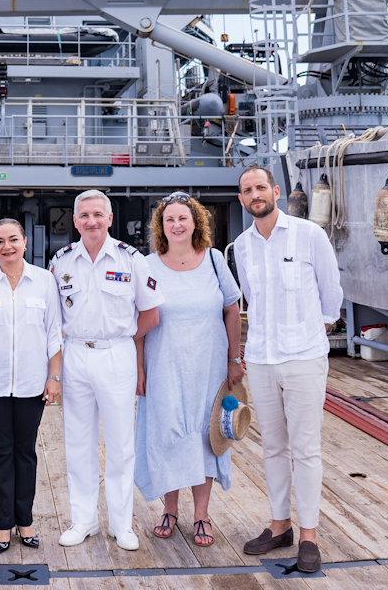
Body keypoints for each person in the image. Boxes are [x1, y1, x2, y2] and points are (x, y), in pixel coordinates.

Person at [234, 164, 343, 574]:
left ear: (275, 191)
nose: (254, 194)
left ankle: (309, 534)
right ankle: (280, 525)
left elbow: (331, 294)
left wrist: (312, 333)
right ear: (242, 199)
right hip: (261, 357)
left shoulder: (308, 234)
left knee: (306, 448)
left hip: (303, 357)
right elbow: (252, 301)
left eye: (260, 186)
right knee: (273, 447)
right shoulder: (242, 246)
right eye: (247, 190)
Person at [52, 189, 162, 550]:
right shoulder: (62, 260)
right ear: (75, 219)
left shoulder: (132, 260)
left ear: (110, 219)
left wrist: (125, 342)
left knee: (120, 445)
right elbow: (54, 317)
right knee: (78, 442)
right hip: (75, 355)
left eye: (98, 214)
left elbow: (150, 314)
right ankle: (83, 520)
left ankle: (121, 524)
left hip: (117, 353)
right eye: (84, 215)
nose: (91, 221)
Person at [135, 193, 244, 548]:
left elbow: (231, 309)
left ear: (195, 222)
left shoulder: (214, 260)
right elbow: (137, 320)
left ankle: (202, 514)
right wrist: (139, 369)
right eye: (170, 220)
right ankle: (169, 509)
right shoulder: (147, 265)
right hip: (164, 363)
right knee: (166, 433)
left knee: (205, 436)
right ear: (161, 227)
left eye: (183, 218)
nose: (177, 225)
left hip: (208, 366)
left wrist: (233, 358)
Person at [0, 218, 62, 553]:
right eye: (0, 241)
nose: (7, 246)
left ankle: (26, 520)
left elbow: (54, 334)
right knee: (0, 453)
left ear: (25, 242)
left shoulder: (45, 281)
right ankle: (3, 524)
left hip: (33, 384)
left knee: (26, 453)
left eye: (13, 239)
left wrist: (54, 376)